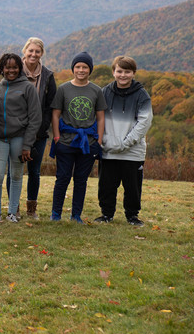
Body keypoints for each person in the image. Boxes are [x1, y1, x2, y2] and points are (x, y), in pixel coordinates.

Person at [95, 56, 153, 226]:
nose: (123, 75)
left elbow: (145, 122)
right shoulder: (104, 92)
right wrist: (104, 140)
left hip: (132, 151)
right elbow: (98, 119)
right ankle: (106, 214)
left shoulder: (142, 95)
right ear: (113, 72)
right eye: (119, 71)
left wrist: (125, 143)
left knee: (133, 187)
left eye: (127, 72)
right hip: (108, 149)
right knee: (106, 186)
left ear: (133, 73)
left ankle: (132, 216)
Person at [49, 52, 106, 223]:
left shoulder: (96, 90)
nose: (81, 70)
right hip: (66, 141)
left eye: (85, 67)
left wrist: (100, 140)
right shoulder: (63, 89)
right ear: (73, 68)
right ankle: (56, 214)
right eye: (78, 67)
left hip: (87, 143)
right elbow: (55, 114)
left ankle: (76, 215)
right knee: (63, 178)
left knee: (81, 180)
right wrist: (57, 136)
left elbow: (101, 116)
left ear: (90, 69)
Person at [6, 38, 57, 220]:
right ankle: (14, 207)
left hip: (39, 133)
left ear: (41, 53)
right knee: (14, 170)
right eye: (31, 51)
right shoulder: (14, 71)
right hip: (15, 131)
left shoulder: (48, 76)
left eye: (37, 51)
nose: (33, 54)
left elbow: (50, 106)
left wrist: (37, 130)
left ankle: (31, 208)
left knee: (34, 171)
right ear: (24, 51)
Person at [0, 53, 41, 223]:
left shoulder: (28, 88)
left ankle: (12, 212)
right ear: (2, 68)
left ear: (19, 68)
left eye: (14, 67)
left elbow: (35, 118)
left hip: (19, 138)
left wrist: (27, 145)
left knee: (17, 175)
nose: (11, 70)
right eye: (7, 67)